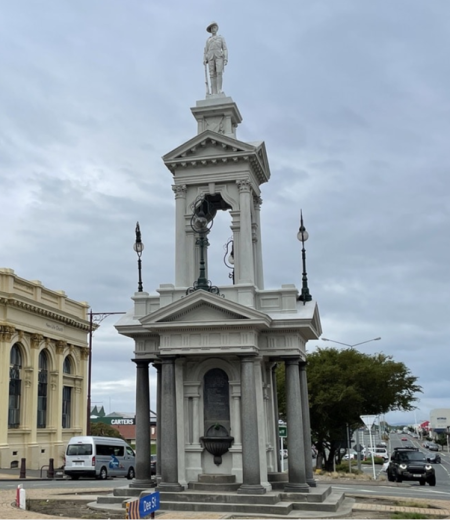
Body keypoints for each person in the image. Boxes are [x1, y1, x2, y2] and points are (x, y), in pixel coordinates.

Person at [203, 22, 228, 95]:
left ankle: (219, 90)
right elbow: (205, 51)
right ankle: (213, 91)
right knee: (212, 74)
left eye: (214, 27)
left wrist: (226, 58)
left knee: (219, 72)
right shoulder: (208, 40)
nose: (213, 29)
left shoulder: (221, 38)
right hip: (210, 57)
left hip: (219, 56)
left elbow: (225, 49)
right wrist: (204, 58)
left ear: (217, 28)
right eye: (211, 28)